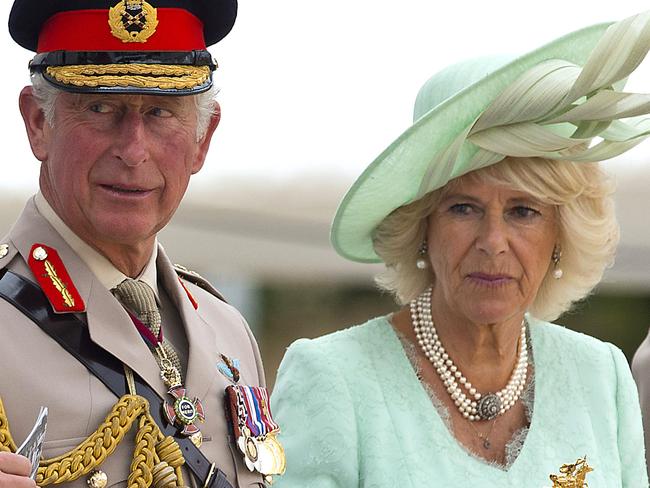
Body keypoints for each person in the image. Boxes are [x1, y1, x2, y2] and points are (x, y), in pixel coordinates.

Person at [272, 11, 650, 487]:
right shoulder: (332, 377)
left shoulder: (603, 376)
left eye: (523, 211)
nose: (493, 243)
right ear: (421, 226)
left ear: (561, 235)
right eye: (463, 208)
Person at [0, 1, 283, 487]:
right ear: (38, 124)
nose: (133, 150)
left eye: (159, 112)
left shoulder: (227, 331)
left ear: (203, 139)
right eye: (100, 107)